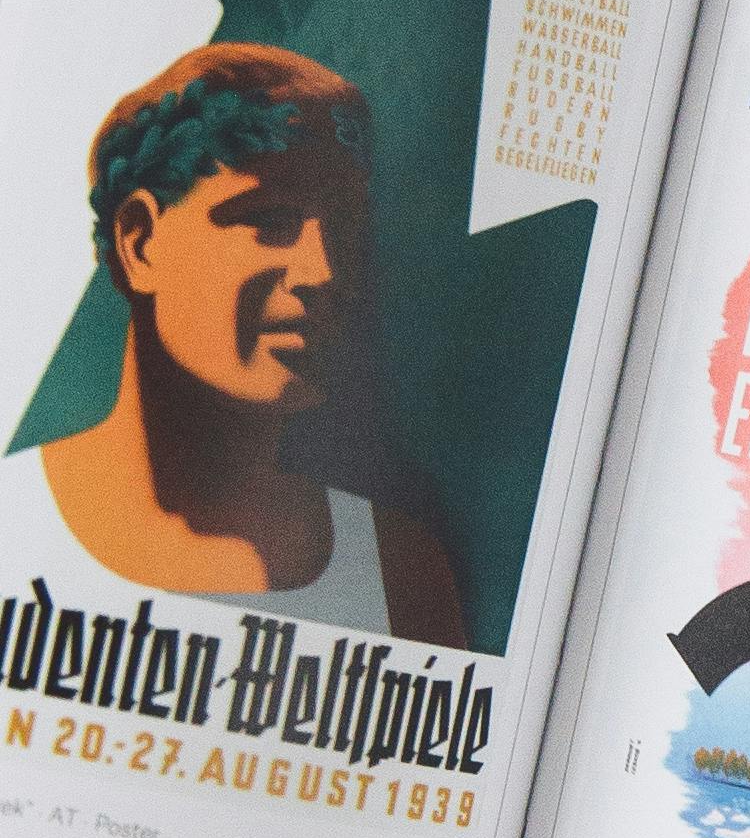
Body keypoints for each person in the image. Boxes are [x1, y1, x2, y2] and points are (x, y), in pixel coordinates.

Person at [28, 44, 462, 633]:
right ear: (141, 243)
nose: (323, 271)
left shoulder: (398, 575)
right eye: (271, 220)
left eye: (344, 232)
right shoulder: (14, 517)